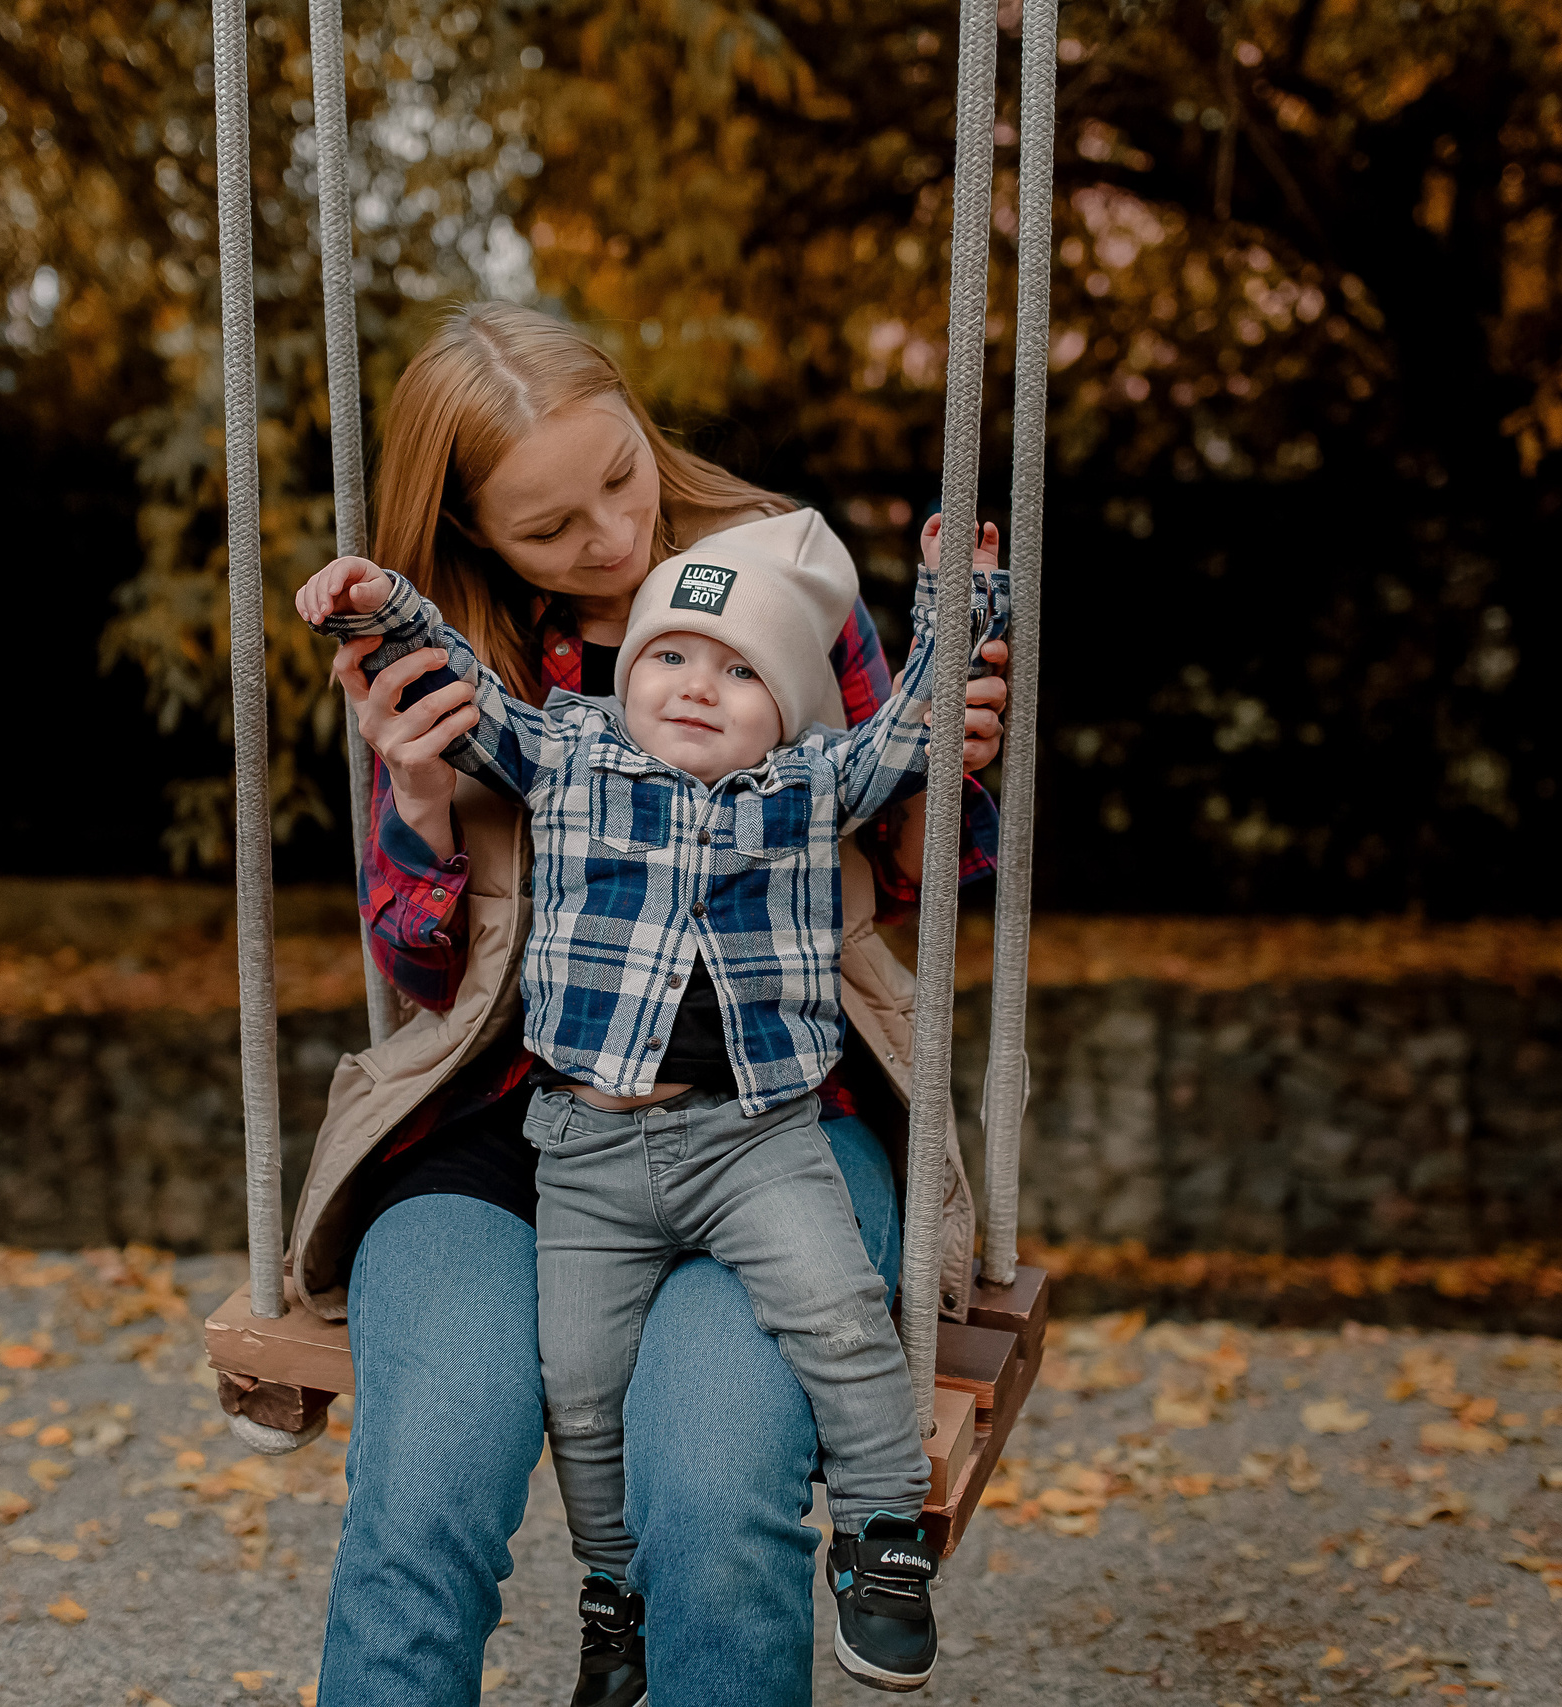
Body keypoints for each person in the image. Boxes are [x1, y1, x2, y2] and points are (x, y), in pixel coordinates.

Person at [269, 302, 1009, 1707]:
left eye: (621, 476)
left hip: (778, 1114)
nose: (611, 537)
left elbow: (915, 886)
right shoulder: (463, 662)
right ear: (480, 538)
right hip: (510, 1122)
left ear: (637, 419)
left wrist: (945, 768)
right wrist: (419, 804)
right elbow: (424, 974)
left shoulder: (785, 587)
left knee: (712, 1485)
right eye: (553, 528)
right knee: (424, 1487)